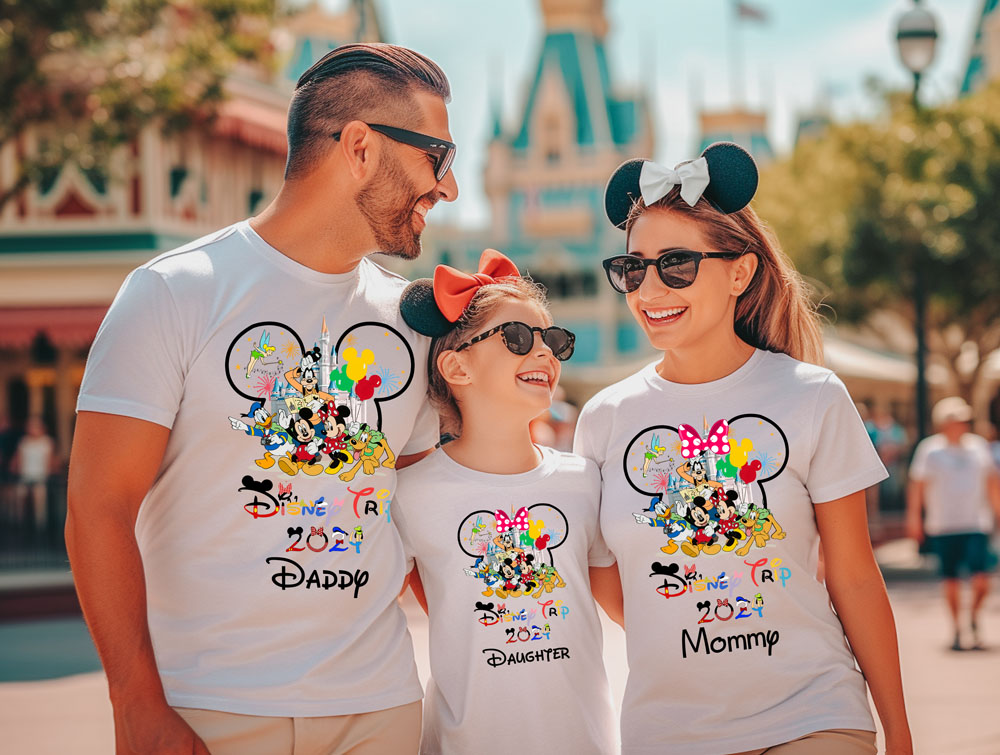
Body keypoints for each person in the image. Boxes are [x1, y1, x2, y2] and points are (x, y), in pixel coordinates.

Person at [66, 43, 458, 755]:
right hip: (209, 710)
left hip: (380, 708)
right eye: (438, 154)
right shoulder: (173, 292)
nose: (449, 187)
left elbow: (429, 522)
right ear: (361, 147)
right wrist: (136, 705)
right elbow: (98, 508)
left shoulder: (413, 321)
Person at [573, 144, 912, 755]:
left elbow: (856, 578)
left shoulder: (812, 397)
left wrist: (901, 732)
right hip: (669, 731)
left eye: (676, 264)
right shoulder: (604, 419)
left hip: (815, 711)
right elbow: (607, 578)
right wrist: (699, 620)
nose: (651, 288)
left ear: (740, 272)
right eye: (634, 268)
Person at [392, 250, 619, 754]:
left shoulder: (584, 481)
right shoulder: (410, 495)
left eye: (553, 341)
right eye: (518, 339)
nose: (544, 354)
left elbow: (632, 611)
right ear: (456, 367)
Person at [907, 397, 1000, 651]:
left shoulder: (979, 447)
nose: (963, 424)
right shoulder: (930, 450)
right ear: (944, 423)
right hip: (943, 524)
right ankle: (958, 628)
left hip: (976, 522)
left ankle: (973, 618)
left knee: (982, 580)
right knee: (951, 580)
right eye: (958, 420)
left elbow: (992, 483)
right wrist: (914, 518)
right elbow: (917, 487)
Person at [12, 416, 56, 532]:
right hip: (25, 476)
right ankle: (20, 527)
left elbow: (50, 462)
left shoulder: (46, 442)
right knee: (20, 501)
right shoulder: (24, 442)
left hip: (40, 477)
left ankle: (40, 529)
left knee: (39, 505)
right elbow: (18, 460)